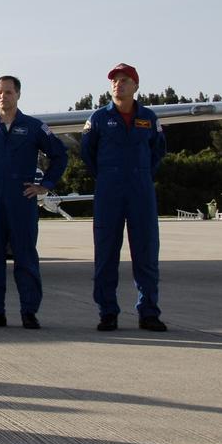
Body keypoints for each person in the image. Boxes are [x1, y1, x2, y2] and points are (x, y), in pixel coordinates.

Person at [0, 75, 67, 329]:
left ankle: (29, 312)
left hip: (21, 201)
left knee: (25, 256)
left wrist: (44, 185)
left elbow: (59, 155)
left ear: (18, 95)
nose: (3, 96)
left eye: (8, 92)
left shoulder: (34, 127)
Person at [81, 63, 168, 332]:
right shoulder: (98, 118)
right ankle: (107, 313)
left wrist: (139, 173)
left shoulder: (149, 118)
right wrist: (109, 175)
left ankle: (149, 313)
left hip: (140, 189)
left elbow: (158, 151)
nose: (118, 84)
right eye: (115, 80)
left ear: (136, 86)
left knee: (146, 252)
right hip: (109, 189)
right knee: (106, 254)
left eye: (125, 80)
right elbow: (88, 153)